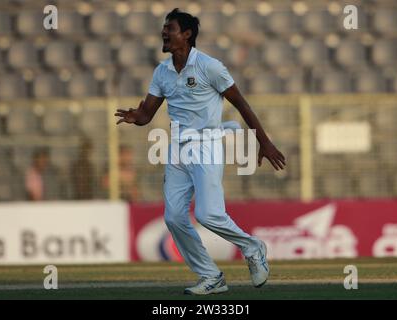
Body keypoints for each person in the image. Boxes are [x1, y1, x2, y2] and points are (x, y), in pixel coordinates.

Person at [115, 8, 286, 295]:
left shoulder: (210, 67)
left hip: (206, 146)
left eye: (170, 28)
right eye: (164, 28)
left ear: (187, 35)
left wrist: (263, 141)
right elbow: (147, 114)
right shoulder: (162, 71)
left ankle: (252, 247)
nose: (164, 33)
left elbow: (242, 104)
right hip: (177, 149)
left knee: (208, 215)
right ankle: (211, 276)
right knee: (173, 218)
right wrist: (137, 116)